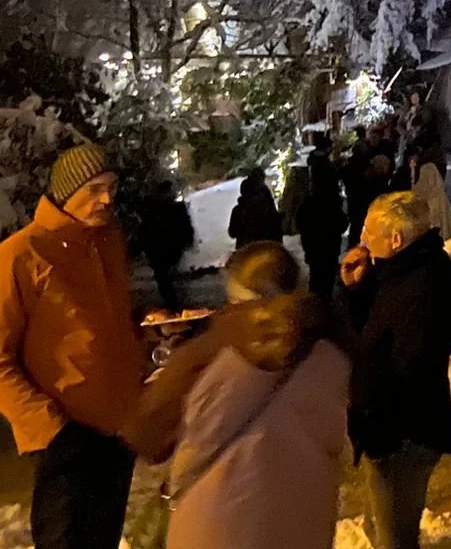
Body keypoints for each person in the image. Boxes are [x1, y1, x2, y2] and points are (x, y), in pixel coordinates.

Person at [128, 241, 351, 549]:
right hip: (303, 523)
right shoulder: (331, 351)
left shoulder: (208, 352)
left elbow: (145, 434)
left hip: (217, 528)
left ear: (234, 292)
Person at [0, 144, 146, 549]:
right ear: (67, 193)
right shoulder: (20, 255)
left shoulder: (107, 244)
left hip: (118, 431)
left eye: (111, 188)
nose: (107, 199)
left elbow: (107, 327)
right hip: (65, 438)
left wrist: (149, 340)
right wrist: (51, 429)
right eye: (95, 188)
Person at [339, 191, 451, 549]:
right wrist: (354, 289)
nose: (362, 242)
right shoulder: (397, 270)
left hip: (404, 434)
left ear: (396, 239)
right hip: (385, 429)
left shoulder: (427, 286)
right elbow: (369, 331)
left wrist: (370, 413)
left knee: (393, 539)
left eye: (368, 233)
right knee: (375, 528)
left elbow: (408, 369)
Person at [297, 147, 348, 302]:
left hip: (314, 248)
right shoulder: (331, 202)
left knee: (316, 281)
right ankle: (323, 308)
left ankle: (316, 309)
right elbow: (341, 224)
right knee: (326, 282)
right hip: (329, 247)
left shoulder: (309, 201)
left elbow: (301, 222)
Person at [140, 178, 197, 311]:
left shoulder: (154, 209)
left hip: (163, 248)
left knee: (165, 277)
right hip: (165, 248)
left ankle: (173, 301)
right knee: (167, 276)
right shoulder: (168, 209)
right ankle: (174, 302)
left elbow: (144, 229)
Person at [229, 171, 285, 249]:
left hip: (247, 251)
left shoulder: (238, 210)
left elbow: (232, 233)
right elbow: (277, 229)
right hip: (269, 249)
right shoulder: (268, 208)